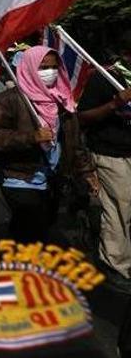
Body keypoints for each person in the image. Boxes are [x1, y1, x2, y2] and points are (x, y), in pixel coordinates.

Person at [0, 46, 98, 243]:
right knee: (31, 231)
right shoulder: (7, 100)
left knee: (44, 225)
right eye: (43, 67)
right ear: (29, 68)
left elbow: (74, 141)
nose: (50, 72)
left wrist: (87, 171)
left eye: (54, 67)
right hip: (21, 177)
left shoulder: (62, 100)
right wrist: (31, 137)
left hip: (53, 178)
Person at [79, 33, 131, 291]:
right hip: (112, 153)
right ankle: (115, 263)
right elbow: (83, 116)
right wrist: (114, 104)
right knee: (120, 209)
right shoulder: (105, 78)